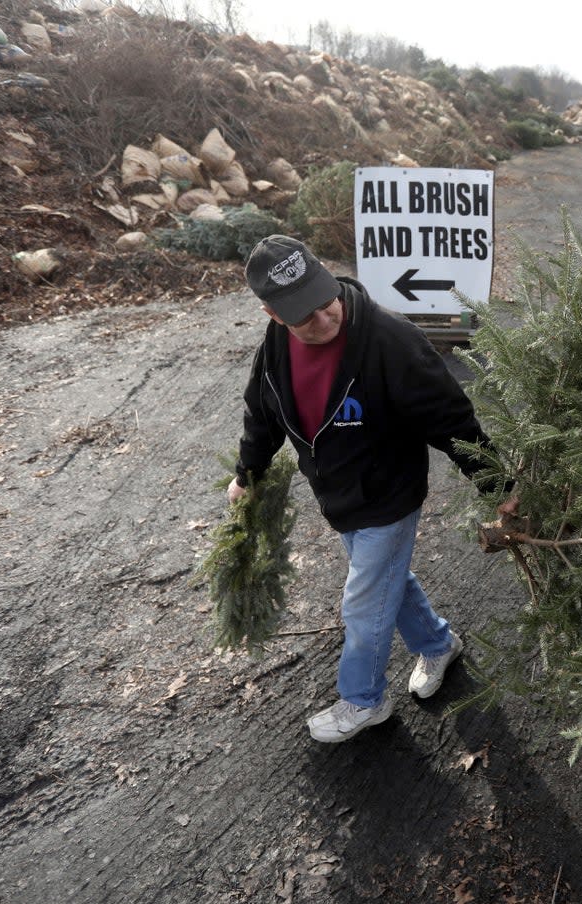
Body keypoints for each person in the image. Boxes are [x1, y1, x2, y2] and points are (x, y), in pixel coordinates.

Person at [229, 234, 510, 743]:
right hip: (339, 498)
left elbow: (451, 419)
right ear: (273, 314)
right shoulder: (273, 353)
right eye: (304, 315)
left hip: (389, 494)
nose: (324, 318)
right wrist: (245, 475)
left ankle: (364, 701)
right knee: (387, 584)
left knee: (363, 601)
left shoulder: (389, 340)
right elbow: (262, 418)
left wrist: (498, 484)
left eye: (325, 299)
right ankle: (439, 644)